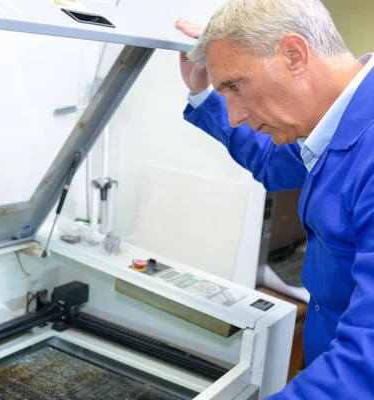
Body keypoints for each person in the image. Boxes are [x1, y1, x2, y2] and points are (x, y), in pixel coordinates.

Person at [175, 0, 374, 398]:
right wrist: (203, 91)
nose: (232, 115)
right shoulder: (329, 123)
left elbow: (364, 366)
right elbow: (272, 161)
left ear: (294, 55)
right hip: (324, 356)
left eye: (234, 85)